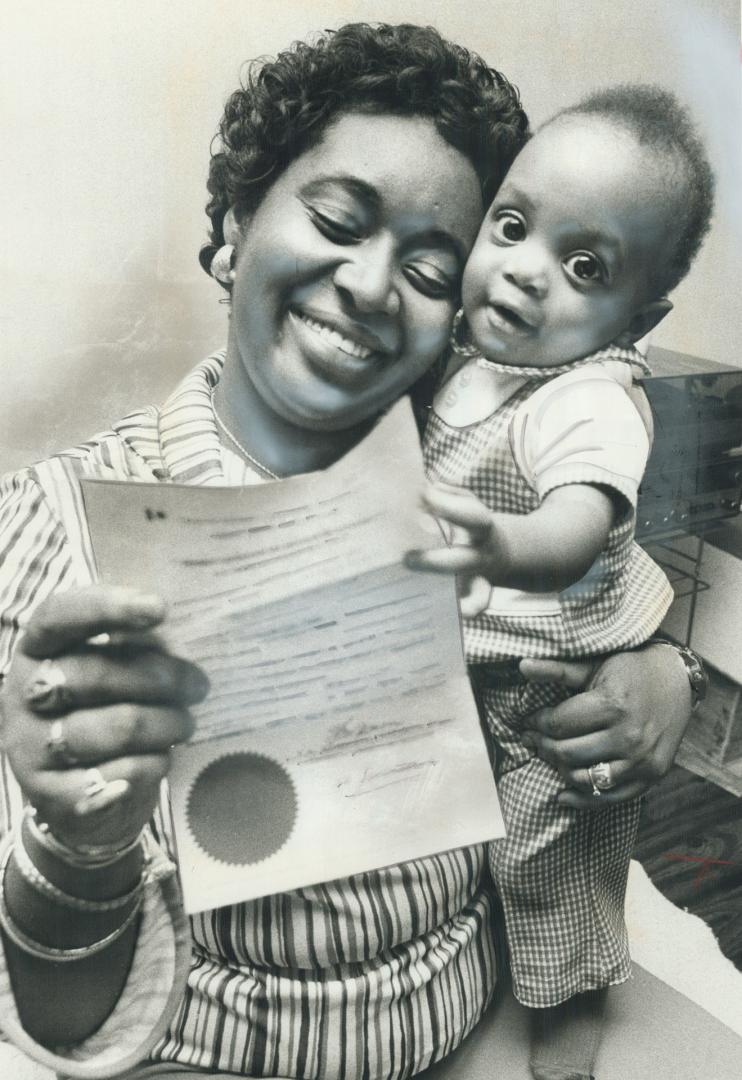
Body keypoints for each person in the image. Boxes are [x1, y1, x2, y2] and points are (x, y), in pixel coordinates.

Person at [0, 24, 697, 1080]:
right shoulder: (57, 528)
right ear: (234, 229)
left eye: (429, 267)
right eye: (336, 220)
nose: (373, 285)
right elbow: (59, 1017)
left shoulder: (474, 479)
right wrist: (76, 850)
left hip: (490, 1020)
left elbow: (591, 578)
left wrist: (656, 676)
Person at [406, 85, 714, 1080]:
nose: (526, 273)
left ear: (639, 315)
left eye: (584, 266)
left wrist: (503, 542)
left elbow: (579, 523)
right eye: (511, 226)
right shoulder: (461, 357)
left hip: (556, 685)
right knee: (466, 844)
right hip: (471, 667)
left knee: (554, 864)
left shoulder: (589, 396)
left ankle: (570, 1007)